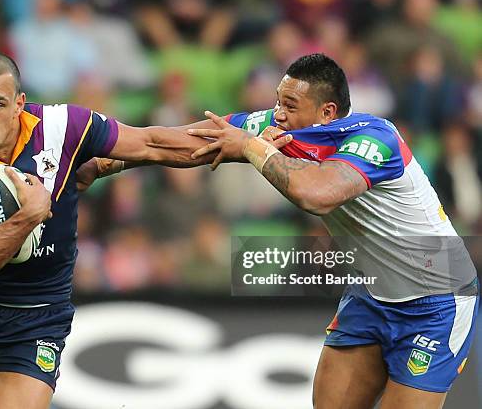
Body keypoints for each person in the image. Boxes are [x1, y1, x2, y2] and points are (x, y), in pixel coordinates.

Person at [85, 54, 479, 408]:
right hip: (371, 289)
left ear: (327, 113)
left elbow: (317, 194)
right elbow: (178, 142)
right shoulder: (279, 127)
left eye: (290, 105)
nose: (277, 114)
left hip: (438, 298)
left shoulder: (376, 138)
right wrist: (106, 163)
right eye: (277, 100)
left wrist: (253, 148)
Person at [0, 51, 218, 409]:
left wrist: (244, 139)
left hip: (36, 319)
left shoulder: (63, 125)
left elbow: (151, 144)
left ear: (19, 105)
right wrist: (28, 217)